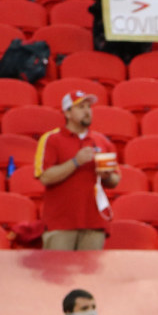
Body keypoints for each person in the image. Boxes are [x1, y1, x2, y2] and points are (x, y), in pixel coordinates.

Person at [34, 90, 120, 251]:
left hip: (94, 222)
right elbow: (45, 177)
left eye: (89, 107)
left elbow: (115, 180)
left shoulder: (102, 141)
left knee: (90, 275)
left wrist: (106, 176)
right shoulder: (51, 139)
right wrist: (76, 162)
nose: (87, 111)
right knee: (58, 274)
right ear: (67, 113)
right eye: (81, 107)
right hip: (60, 223)